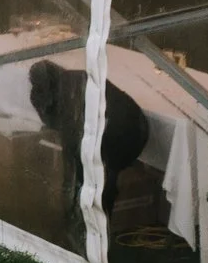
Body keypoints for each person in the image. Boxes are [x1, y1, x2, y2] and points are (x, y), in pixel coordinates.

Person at [28, 60, 150, 239]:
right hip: (111, 129)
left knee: (93, 178)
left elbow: (72, 149)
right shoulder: (59, 88)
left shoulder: (71, 91)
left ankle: (94, 229)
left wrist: (69, 189)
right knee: (87, 176)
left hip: (127, 132)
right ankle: (88, 225)